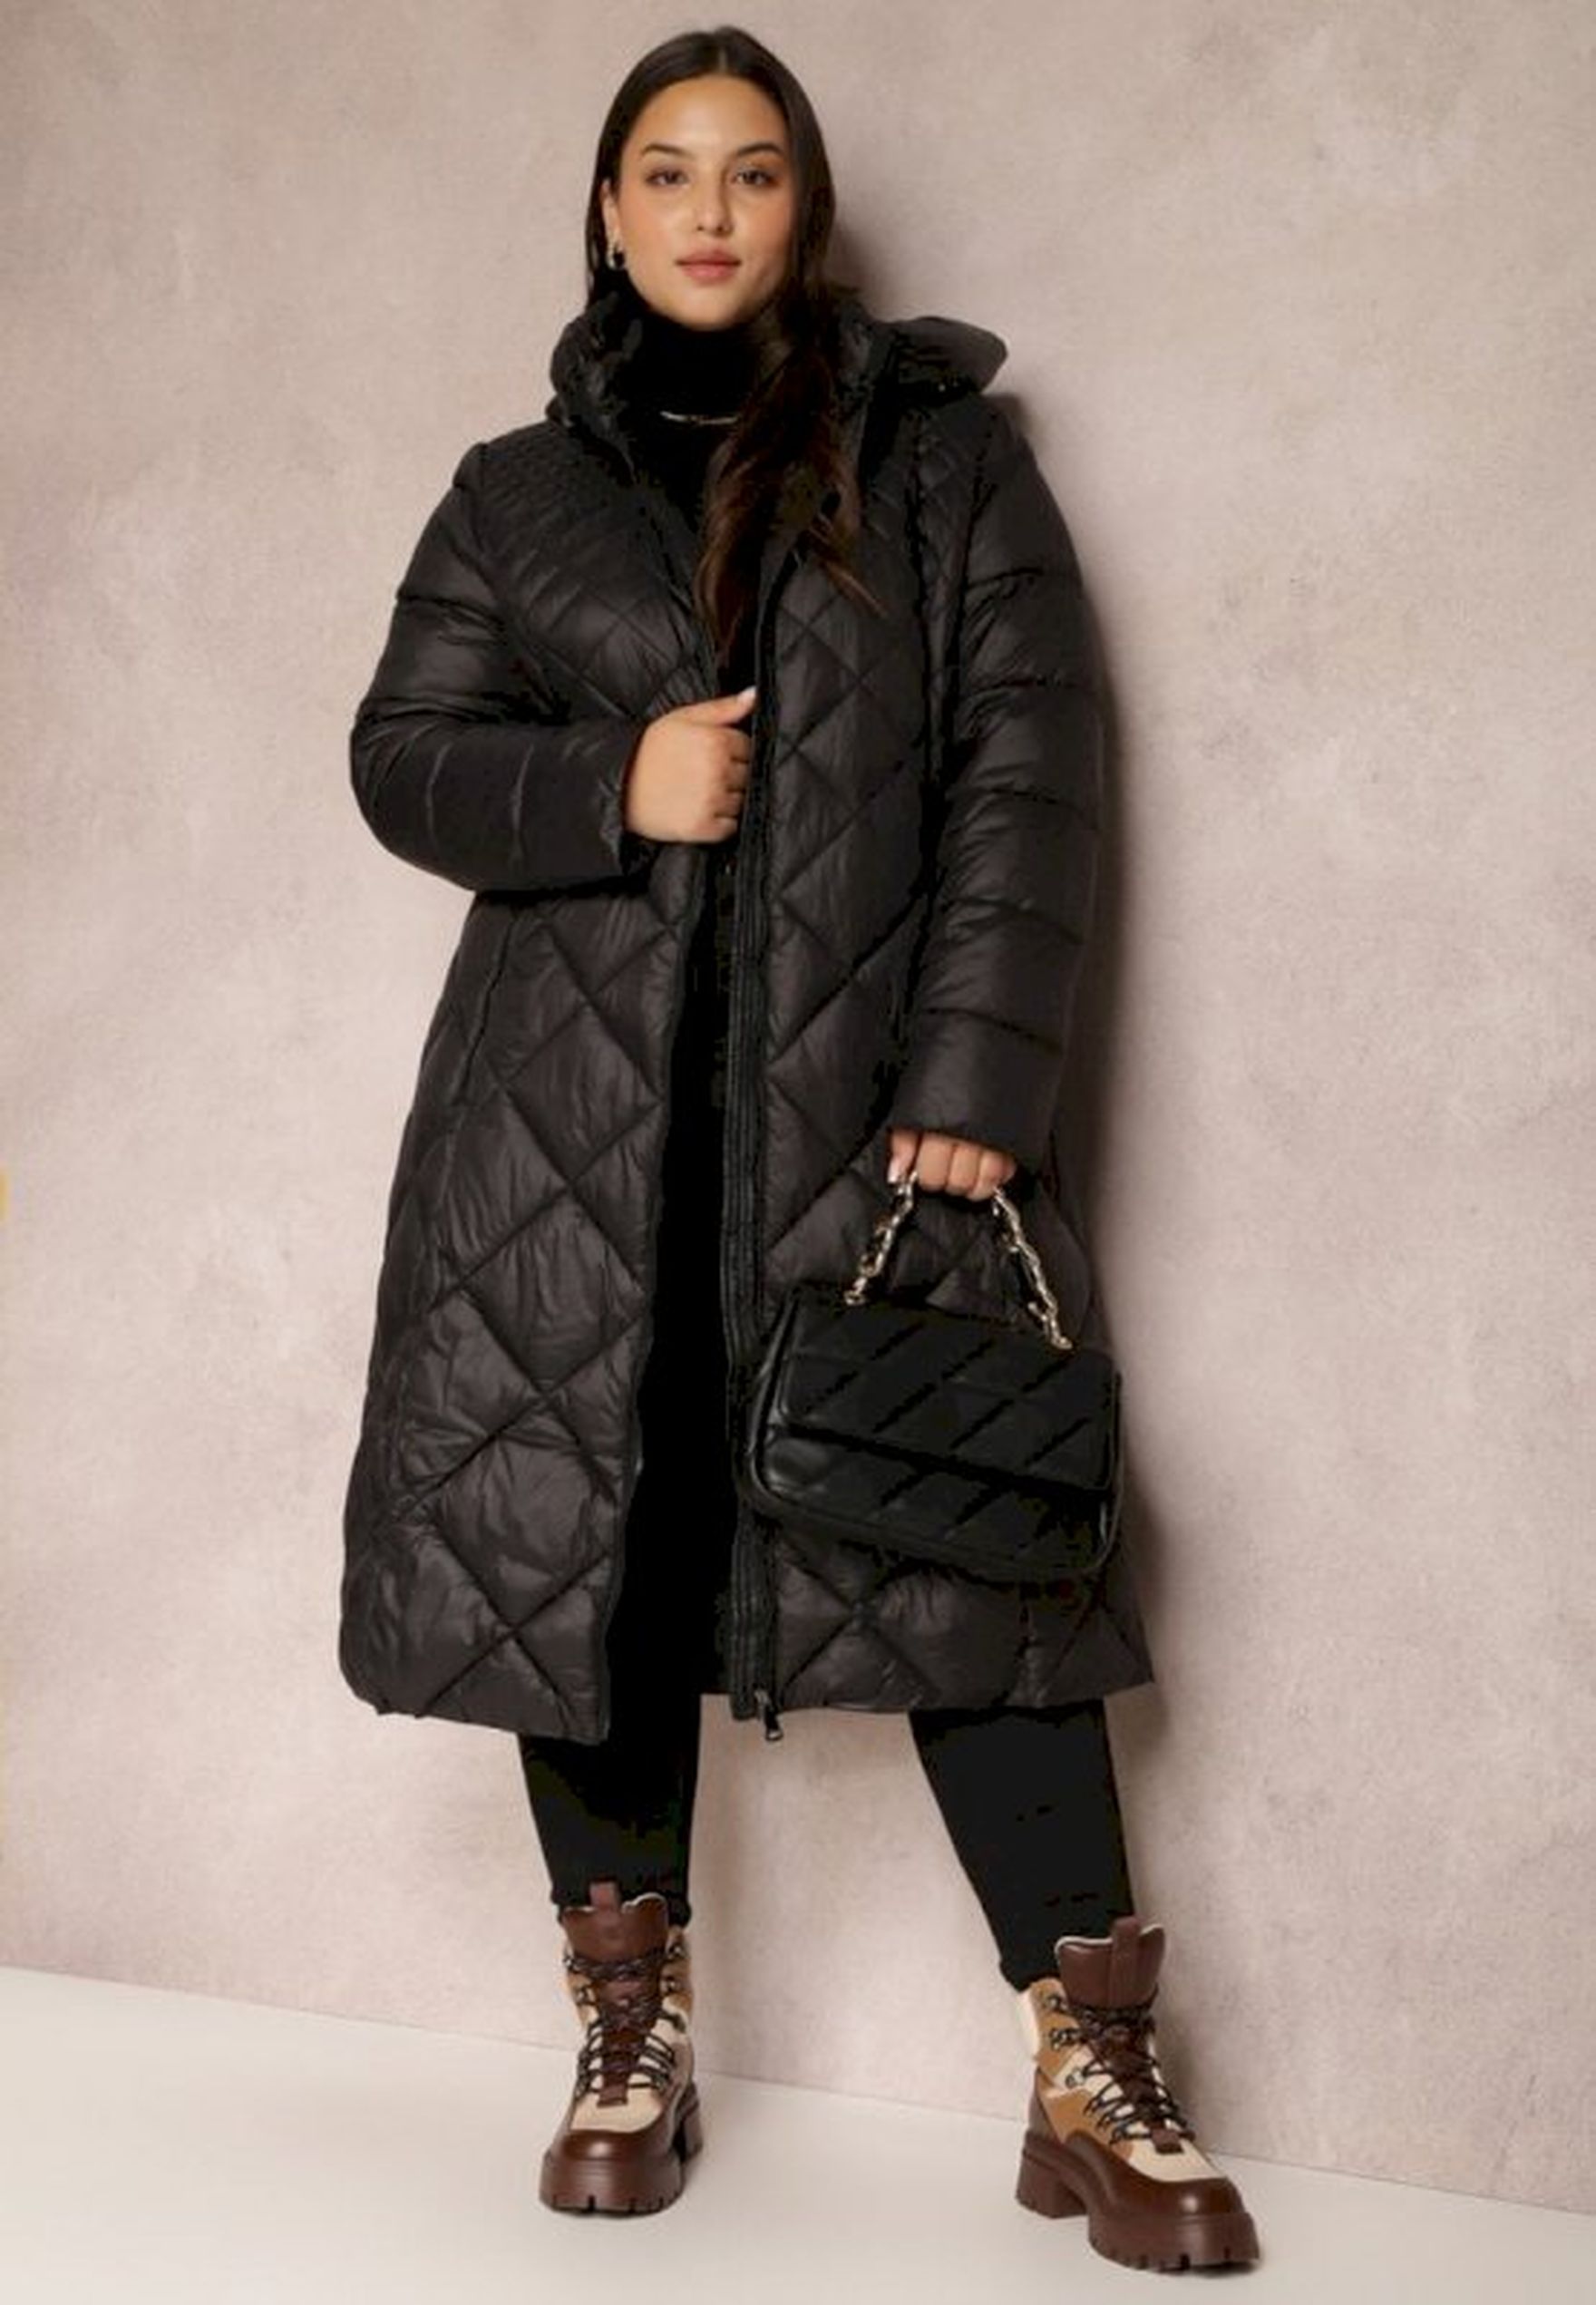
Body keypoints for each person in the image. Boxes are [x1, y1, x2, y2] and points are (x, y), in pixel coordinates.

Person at [337, 22, 1260, 2277]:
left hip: (872, 1132)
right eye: (667, 171)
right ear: (608, 210)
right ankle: (625, 2030)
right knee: (588, 1561)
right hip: (568, 1143)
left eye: (751, 171)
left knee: (974, 1568)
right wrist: (609, 784)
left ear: (805, 207)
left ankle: (1091, 2066)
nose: (709, 210)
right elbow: (400, 756)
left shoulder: (941, 460)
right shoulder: (510, 495)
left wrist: (977, 1084)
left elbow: (1034, 770)